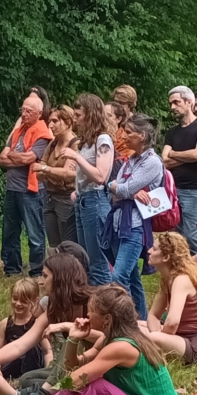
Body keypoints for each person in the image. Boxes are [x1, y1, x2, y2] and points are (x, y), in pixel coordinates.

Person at [10, 286, 182, 395]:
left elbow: (76, 379)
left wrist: (53, 393)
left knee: (95, 386)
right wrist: (73, 338)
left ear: (107, 319)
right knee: (85, 386)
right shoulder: (110, 339)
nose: (87, 315)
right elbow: (72, 365)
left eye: (91, 311)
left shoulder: (121, 346)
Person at [0, 253, 93, 395]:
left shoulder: (91, 305)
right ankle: (28, 393)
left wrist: (68, 326)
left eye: (45, 276)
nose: (41, 282)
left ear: (60, 278)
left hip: (94, 370)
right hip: (71, 368)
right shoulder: (55, 307)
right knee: (27, 379)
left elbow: (104, 343)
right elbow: (19, 345)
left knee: (52, 384)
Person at [107, 113, 166, 312]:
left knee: (118, 277)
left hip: (135, 226)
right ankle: (142, 320)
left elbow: (122, 188)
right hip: (119, 223)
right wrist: (125, 190)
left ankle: (123, 319)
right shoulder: (131, 160)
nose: (123, 136)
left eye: (129, 132)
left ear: (142, 135)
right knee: (132, 278)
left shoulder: (152, 162)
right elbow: (113, 187)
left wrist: (122, 189)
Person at [65, 94, 118, 286]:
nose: (75, 119)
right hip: (83, 200)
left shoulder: (103, 140)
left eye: (79, 115)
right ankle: (92, 299)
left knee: (98, 263)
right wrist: (77, 190)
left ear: (91, 114)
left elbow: (100, 176)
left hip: (96, 201)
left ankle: (104, 300)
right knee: (86, 259)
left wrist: (76, 157)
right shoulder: (88, 141)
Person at [0, 88, 52, 276]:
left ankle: (37, 271)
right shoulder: (18, 131)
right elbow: (1, 158)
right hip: (12, 188)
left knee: (34, 233)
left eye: (29, 111)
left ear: (39, 113)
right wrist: (19, 158)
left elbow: (28, 159)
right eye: (23, 110)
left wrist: (14, 156)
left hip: (31, 190)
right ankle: (11, 268)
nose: (24, 114)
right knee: (10, 231)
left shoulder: (43, 133)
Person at [162, 85, 197, 254]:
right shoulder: (172, 132)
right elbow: (165, 161)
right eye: (171, 103)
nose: (172, 107)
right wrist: (189, 156)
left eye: (176, 102)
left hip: (194, 189)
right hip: (172, 190)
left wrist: (174, 154)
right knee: (174, 236)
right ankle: (181, 268)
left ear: (188, 102)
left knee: (191, 235)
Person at [140, 232, 197, 364]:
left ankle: (154, 347)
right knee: (135, 326)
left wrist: (158, 337)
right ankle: (155, 344)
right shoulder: (168, 278)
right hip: (180, 337)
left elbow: (172, 323)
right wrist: (157, 333)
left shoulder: (181, 279)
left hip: (196, 344)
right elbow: (153, 315)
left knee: (150, 336)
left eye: (154, 249)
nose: (149, 251)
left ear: (166, 257)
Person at [0, 278, 49, 383]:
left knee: (30, 349)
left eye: (24, 301)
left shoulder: (37, 323)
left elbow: (47, 351)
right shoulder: (5, 323)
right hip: (11, 363)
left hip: (32, 364)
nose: (18, 303)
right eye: (15, 298)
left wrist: (48, 371)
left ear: (34, 301)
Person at [34, 104, 79, 255]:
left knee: (67, 244)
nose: (50, 125)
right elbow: (38, 173)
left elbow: (67, 174)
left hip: (66, 198)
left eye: (55, 121)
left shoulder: (75, 144)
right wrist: (49, 171)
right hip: (49, 196)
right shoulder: (53, 144)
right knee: (53, 245)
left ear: (68, 122)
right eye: (50, 121)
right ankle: (54, 269)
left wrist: (46, 169)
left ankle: (70, 270)